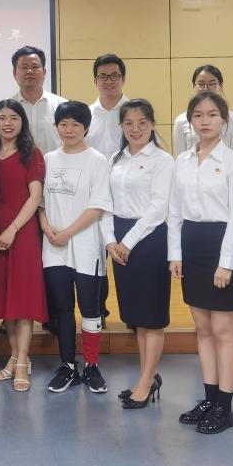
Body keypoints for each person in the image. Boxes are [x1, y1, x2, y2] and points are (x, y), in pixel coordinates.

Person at [167, 92, 233, 431]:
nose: (205, 121)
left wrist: (226, 263)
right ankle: (210, 399)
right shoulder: (182, 161)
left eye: (212, 115)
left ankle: (225, 408)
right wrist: (175, 254)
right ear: (190, 122)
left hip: (220, 245)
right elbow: (174, 211)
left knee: (223, 330)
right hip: (191, 245)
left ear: (224, 121)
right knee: (202, 329)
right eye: (198, 115)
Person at [39, 101, 113, 395]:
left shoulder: (97, 160)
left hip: (85, 245)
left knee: (90, 309)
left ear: (86, 128)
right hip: (53, 246)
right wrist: (47, 227)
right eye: (63, 124)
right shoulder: (48, 159)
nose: (69, 130)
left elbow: (98, 206)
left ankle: (92, 365)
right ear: (56, 126)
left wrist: (68, 233)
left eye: (75, 125)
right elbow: (40, 203)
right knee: (62, 309)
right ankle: (68, 366)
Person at [0, 99, 47, 392]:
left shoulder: (30, 154)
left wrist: (11, 229)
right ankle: (14, 355)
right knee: (6, 300)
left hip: (22, 232)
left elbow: (35, 197)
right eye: (2, 117)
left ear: (23, 122)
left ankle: (22, 361)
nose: (7, 123)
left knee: (23, 300)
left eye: (14, 118)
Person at [86, 53, 129, 324]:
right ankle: (98, 310)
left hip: (127, 197)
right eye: (103, 76)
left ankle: (134, 314)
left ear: (123, 78)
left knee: (127, 257)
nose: (109, 81)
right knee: (96, 260)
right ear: (95, 80)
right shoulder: (86, 115)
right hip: (94, 199)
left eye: (114, 76)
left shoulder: (134, 112)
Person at [172, 65, 233, 156]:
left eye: (212, 84)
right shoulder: (181, 121)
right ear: (193, 86)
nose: (206, 88)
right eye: (201, 84)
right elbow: (182, 157)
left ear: (220, 85)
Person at [10, 45, 67, 155]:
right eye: (24, 67)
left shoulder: (61, 105)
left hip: (55, 165)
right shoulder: (6, 108)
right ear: (14, 73)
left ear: (44, 72)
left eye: (35, 66)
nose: (29, 71)